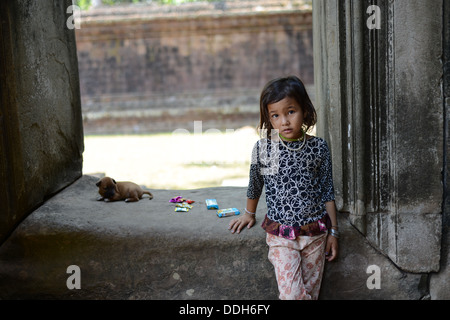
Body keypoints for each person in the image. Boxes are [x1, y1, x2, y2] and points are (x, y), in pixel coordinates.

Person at [228, 75, 339, 300]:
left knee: (310, 294)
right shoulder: (265, 149)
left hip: (315, 235)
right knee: (292, 295)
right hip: (281, 236)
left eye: (290, 111)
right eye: (275, 115)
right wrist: (249, 213)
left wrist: (334, 232)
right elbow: (255, 184)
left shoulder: (318, 147)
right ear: (269, 119)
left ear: (304, 110)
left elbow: (327, 191)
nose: (284, 121)